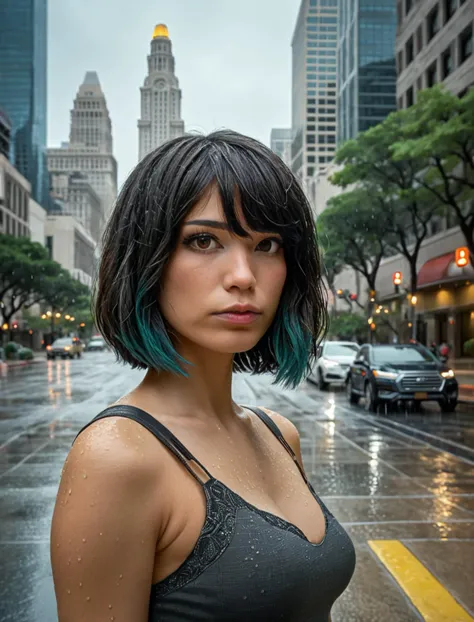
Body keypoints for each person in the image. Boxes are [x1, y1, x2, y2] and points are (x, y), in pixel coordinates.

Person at [51, 131, 356, 621]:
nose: (243, 275)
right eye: (204, 240)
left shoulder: (280, 435)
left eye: (267, 244)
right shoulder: (118, 458)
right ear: (147, 257)